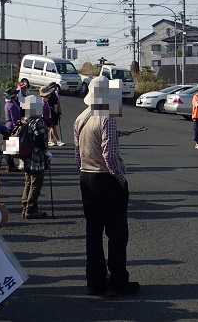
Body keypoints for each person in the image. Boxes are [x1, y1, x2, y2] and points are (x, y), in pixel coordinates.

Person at [74, 75, 140, 297]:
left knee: (93, 231)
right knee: (116, 232)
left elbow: (78, 152)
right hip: (106, 179)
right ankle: (118, 281)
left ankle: (94, 281)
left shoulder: (81, 118)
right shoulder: (107, 117)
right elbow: (110, 155)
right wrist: (121, 179)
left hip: (86, 176)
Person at [19, 96, 50, 219]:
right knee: (36, 183)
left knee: (28, 182)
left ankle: (25, 205)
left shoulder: (24, 120)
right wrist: (46, 152)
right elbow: (40, 139)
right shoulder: (38, 122)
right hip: (36, 158)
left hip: (25, 157)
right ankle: (31, 209)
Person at [3, 88, 21, 172]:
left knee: (8, 148)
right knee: (11, 148)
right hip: (12, 127)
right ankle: (10, 165)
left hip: (8, 125)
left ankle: (9, 164)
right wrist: (17, 127)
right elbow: (14, 119)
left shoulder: (8, 104)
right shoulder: (12, 106)